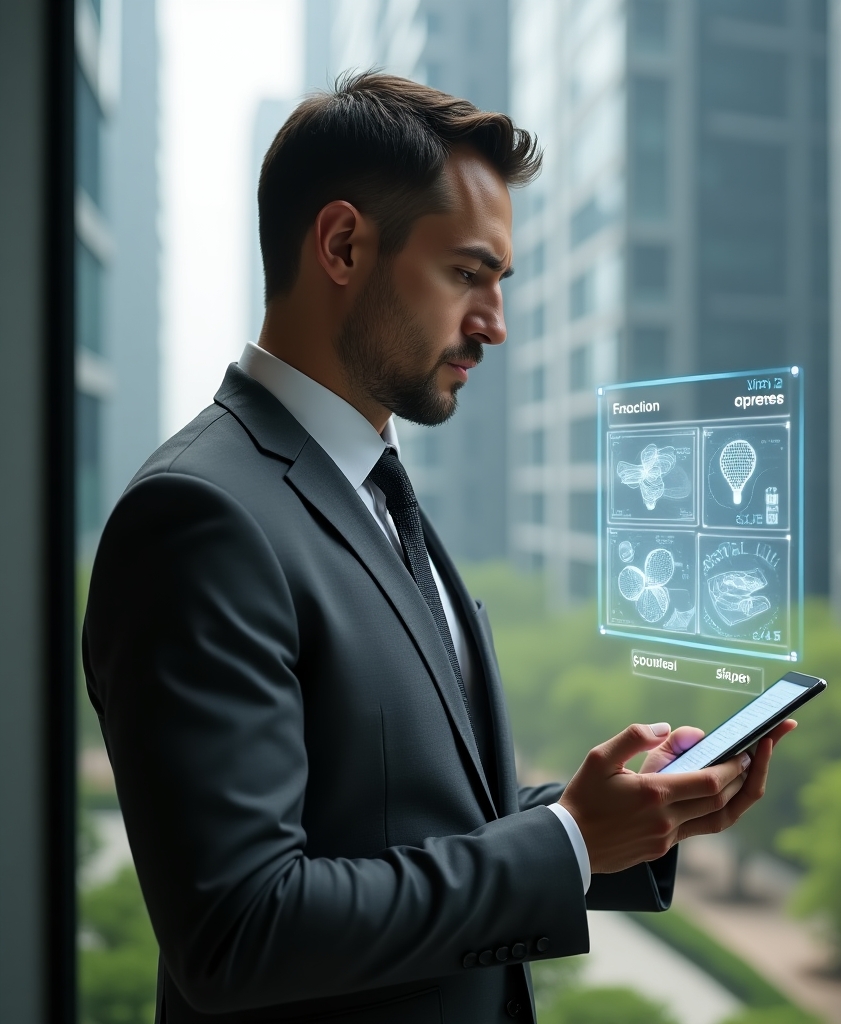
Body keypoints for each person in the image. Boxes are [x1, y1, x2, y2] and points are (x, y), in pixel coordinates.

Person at [83, 73, 795, 1024]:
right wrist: (569, 842)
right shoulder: (198, 517)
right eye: (468, 274)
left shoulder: (373, 488)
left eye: (500, 282)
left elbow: (416, 817)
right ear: (342, 245)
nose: (495, 324)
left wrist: (628, 815)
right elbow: (241, 927)